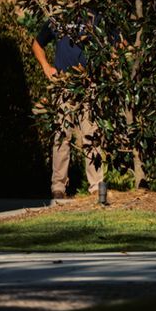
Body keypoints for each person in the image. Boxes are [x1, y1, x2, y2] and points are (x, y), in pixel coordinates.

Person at [32, 17, 102, 202]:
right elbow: (37, 44)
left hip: (88, 83)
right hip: (63, 84)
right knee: (62, 135)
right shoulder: (57, 18)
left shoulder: (94, 16)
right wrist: (46, 67)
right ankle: (58, 186)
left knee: (92, 134)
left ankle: (96, 187)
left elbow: (116, 41)